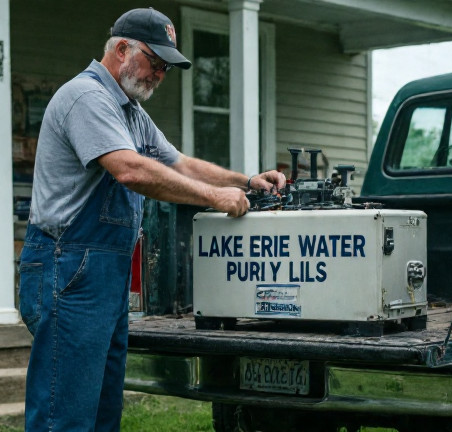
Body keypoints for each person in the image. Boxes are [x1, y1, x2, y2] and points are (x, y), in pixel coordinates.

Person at [19, 7, 286, 431]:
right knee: (64, 418)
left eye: (166, 67)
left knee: (102, 416)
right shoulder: (87, 98)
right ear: (121, 50)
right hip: (67, 269)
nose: (160, 74)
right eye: (154, 61)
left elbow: (179, 164)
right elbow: (131, 170)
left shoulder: (130, 112)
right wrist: (216, 198)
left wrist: (247, 181)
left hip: (104, 276)